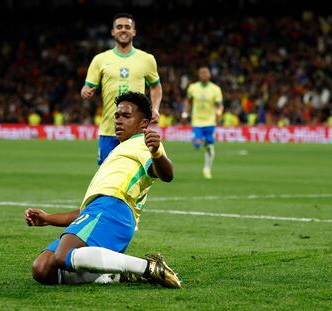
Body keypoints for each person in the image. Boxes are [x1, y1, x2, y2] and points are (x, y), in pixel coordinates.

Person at [25, 91, 181, 289]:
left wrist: (157, 152)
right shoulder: (118, 151)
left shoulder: (142, 143)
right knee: (43, 268)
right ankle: (110, 274)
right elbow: (87, 213)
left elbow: (167, 174)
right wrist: (48, 219)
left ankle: (148, 267)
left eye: (126, 116)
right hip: (100, 211)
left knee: (63, 255)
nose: (118, 121)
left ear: (143, 123)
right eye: (116, 116)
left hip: (114, 211)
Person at [81, 13, 162, 165]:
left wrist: (156, 108)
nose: (123, 30)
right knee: (106, 179)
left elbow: (156, 85)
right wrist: (85, 91)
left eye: (127, 27)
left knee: (137, 177)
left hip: (136, 132)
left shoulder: (147, 59)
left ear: (134, 32)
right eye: (119, 27)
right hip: (109, 130)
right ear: (113, 32)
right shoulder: (100, 59)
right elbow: (88, 86)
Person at [182, 67, 223, 179]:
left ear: (209, 75)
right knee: (197, 144)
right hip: (197, 121)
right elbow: (187, 101)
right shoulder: (193, 88)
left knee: (210, 147)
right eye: (201, 73)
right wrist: (184, 114)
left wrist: (219, 112)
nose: (204, 75)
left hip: (210, 121)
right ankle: (200, 141)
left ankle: (207, 169)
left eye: (206, 73)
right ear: (199, 75)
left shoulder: (215, 89)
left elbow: (219, 105)